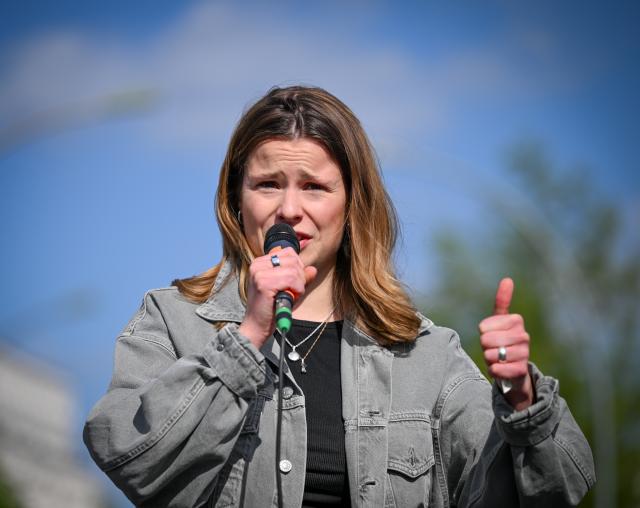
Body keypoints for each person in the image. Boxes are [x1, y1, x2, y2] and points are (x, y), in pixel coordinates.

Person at [83, 85, 595, 507]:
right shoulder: (173, 320)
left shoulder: (425, 355)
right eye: (266, 184)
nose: (288, 208)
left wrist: (522, 404)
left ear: (351, 206)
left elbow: (554, 491)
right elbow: (127, 456)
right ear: (235, 200)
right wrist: (246, 339)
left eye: (314, 187)